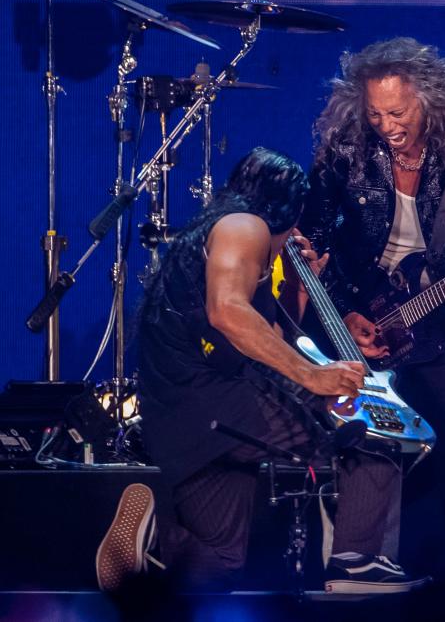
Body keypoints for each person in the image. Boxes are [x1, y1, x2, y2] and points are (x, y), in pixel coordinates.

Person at [95, 147, 425, 594]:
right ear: (289, 212)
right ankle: (358, 563)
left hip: (184, 421)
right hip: (218, 397)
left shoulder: (216, 234)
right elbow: (227, 312)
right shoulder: (243, 226)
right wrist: (313, 379)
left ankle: (156, 540)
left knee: (221, 564)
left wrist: (294, 282)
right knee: (368, 429)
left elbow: (270, 340)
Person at [299, 37, 445, 585]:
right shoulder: (346, 145)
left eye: (398, 112)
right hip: (357, 307)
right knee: (410, 425)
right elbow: (307, 238)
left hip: (440, 308)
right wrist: (342, 314)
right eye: (376, 113)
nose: (386, 124)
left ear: (429, 99)